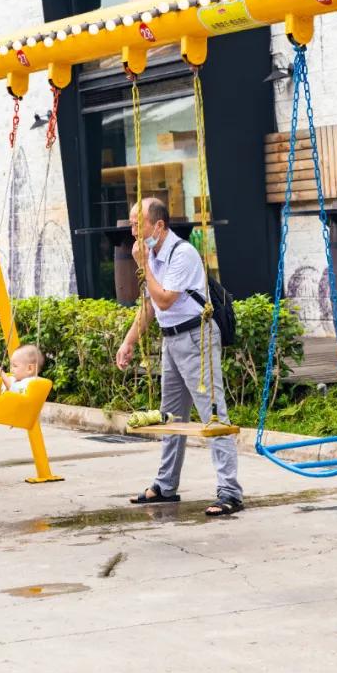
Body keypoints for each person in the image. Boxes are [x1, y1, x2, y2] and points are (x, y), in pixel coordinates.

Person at [115, 198, 244, 516]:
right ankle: (165, 485)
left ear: (158, 226)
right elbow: (149, 305)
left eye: (137, 224)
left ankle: (230, 492)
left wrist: (143, 265)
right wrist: (128, 342)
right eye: (131, 224)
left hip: (196, 337)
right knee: (170, 416)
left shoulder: (181, 254)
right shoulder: (153, 255)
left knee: (213, 415)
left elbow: (165, 300)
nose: (133, 231)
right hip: (171, 340)